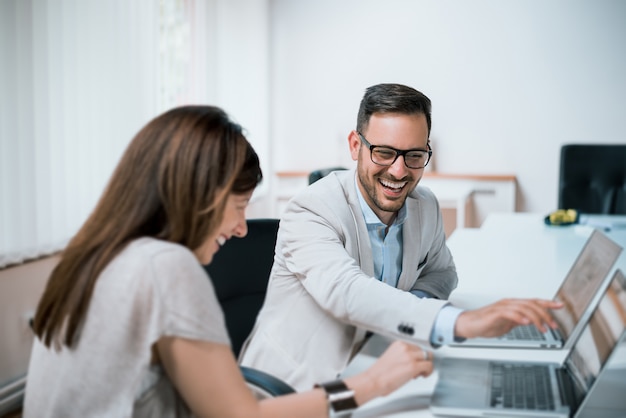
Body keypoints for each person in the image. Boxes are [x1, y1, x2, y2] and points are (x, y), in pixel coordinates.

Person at [23, 105, 434, 417]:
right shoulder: (165, 267)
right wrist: (372, 383)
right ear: (197, 195)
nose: (241, 228)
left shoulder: (96, 255)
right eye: (238, 206)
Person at [240, 83, 563, 390]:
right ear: (356, 146)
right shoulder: (311, 210)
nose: (399, 171)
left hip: (377, 368)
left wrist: (403, 318)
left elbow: (442, 273)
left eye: (414, 156)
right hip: (296, 387)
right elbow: (346, 291)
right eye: (383, 153)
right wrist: (458, 323)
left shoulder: (425, 206)